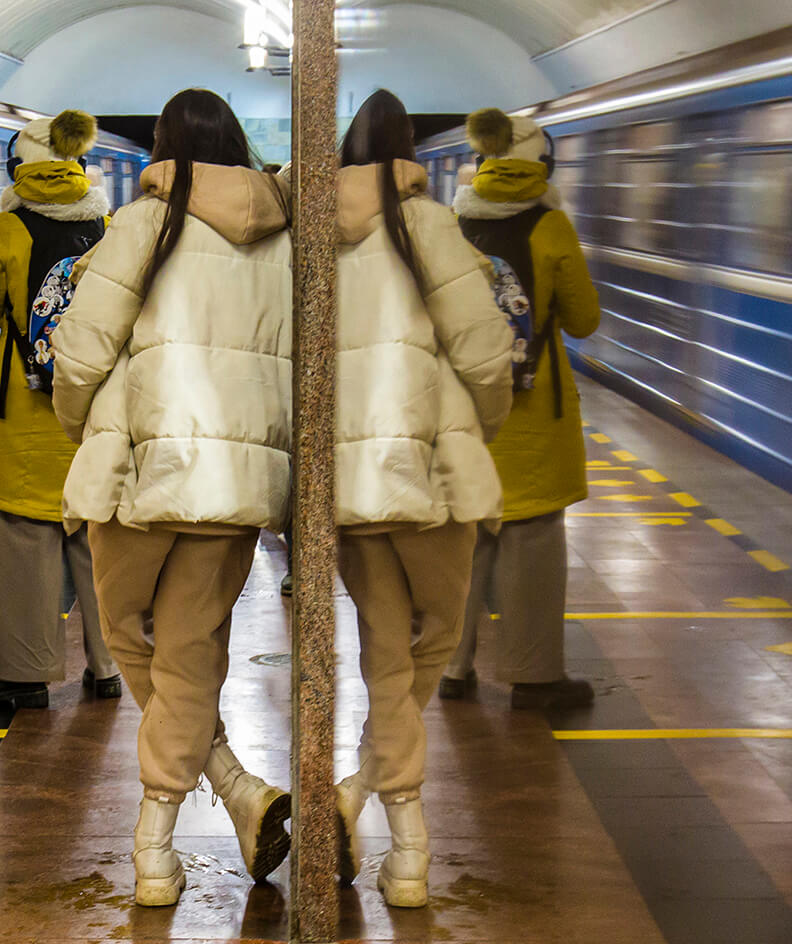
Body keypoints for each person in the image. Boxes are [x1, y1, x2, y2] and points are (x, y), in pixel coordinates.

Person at [51, 89, 293, 905]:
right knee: (191, 654)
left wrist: (81, 422)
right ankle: (171, 836)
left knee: (125, 631)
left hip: (140, 471)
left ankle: (216, 794)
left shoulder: (142, 225)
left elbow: (82, 350)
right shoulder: (284, 242)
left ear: (162, 148)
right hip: (232, 487)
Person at [304, 88, 514, 908]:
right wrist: (474, 428)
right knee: (424, 654)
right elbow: (488, 355)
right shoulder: (433, 227)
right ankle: (393, 835)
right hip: (432, 478)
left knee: (385, 660)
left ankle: (394, 832)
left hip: (349, 487)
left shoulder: (311, 239)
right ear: (411, 156)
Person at [440, 107, 603, 710]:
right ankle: (533, 677)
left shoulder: (454, 221)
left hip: (470, 406)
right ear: (539, 163)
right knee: (531, 539)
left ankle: (454, 668)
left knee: (469, 535)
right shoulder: (550, 225)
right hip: (533, 413)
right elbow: (584, 319)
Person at [0, 109, 122, 709]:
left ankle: (26, 676)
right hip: (87, 408)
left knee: (28, 534)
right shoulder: (105, 223)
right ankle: (105, 666)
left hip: (26, 412)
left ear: (20, 166)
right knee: (89, 531)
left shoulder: (11, 227)